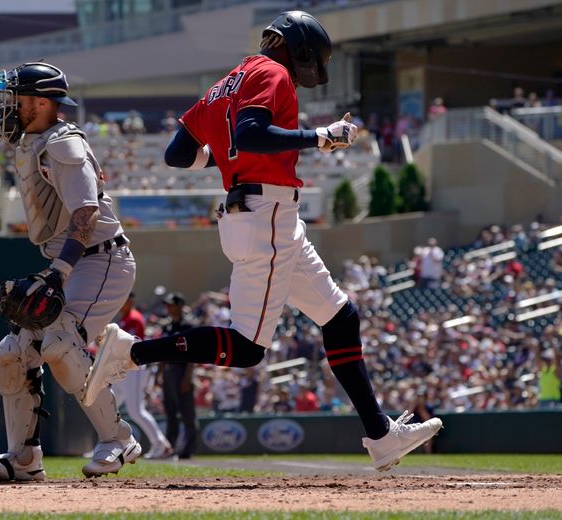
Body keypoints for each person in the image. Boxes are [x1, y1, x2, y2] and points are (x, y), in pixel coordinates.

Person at [83, 11, 442, 471]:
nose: (309, 67)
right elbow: (251, 134)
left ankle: (380, 435)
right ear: (298, 48)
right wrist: (320, 136)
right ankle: (131, 352)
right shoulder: (273, 72)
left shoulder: (226, 81)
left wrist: (226, 151)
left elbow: (178, 154)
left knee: (341, 317)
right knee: (248, 348)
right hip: (267, 215)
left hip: (264, 216)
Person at [0, 31, 141, 480]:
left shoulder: (64, 144)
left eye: (17, 96)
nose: (9, 103)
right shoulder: (27, 132)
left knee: (58, 343)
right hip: (71, 261)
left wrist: (57, 273)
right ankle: (24, 460)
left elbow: (87, 214)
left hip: (102, 261)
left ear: (42, 103)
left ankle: (119, 438)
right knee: (13, 350)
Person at [109, 293, 173, 459]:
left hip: (135, 367)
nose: (121, 304)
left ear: (130, 301)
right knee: (110, 406)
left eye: (124, 301)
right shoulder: (123, 319)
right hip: (125, 368)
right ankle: (107, 446)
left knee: (136, 410)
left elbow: (132, 345)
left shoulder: (134, 318)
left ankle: (161, 444)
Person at [159, 292, 198, 458]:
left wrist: (187, 377)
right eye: (167, 304)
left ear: (180, 306)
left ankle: (188, 449)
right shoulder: (167, 326)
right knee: (171, 412)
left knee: (187, 413)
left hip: (182, 370)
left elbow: (193, 355)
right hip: (169, 371)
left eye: (171, 304)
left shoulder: (188, 326)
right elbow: (162, 351)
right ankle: (170, 447)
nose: (168, 307)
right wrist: (159, 374)